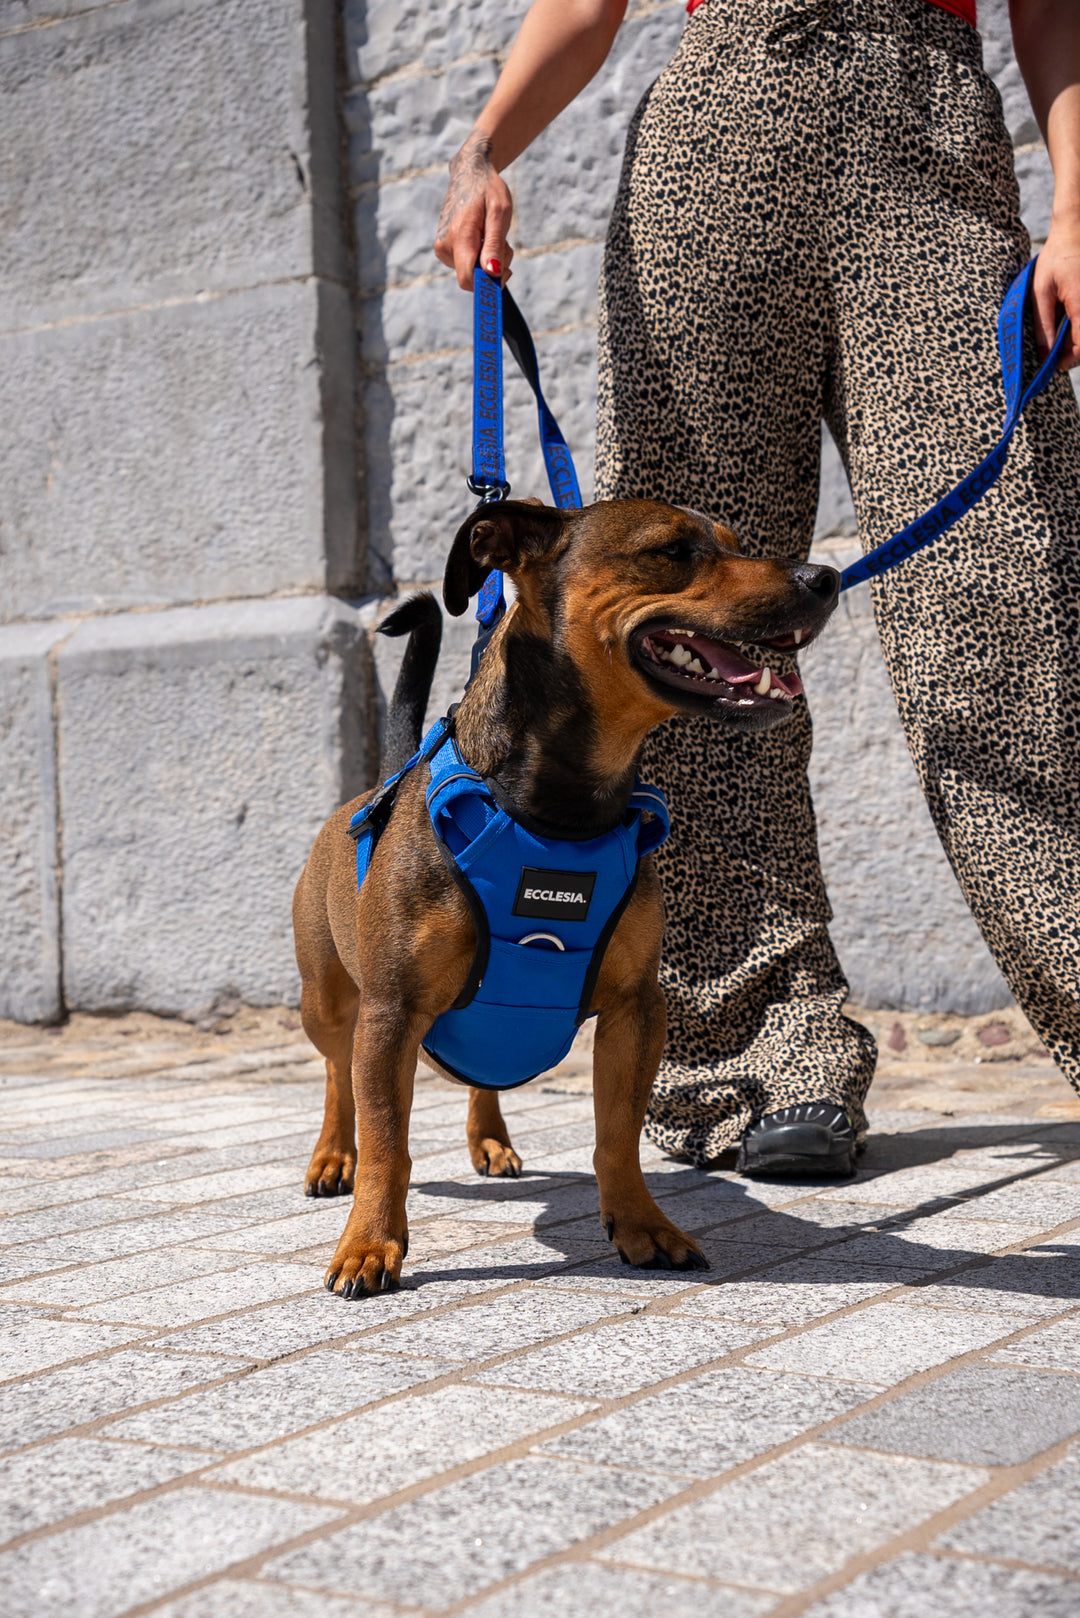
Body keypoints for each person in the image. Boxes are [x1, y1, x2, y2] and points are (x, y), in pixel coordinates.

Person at [434, 0, 1080, 1174]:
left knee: (1011, 604)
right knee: (691, 640)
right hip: (715, 146)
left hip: (927, 133)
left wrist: (1077, 205)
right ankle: (755, 1054)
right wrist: (484, 149)